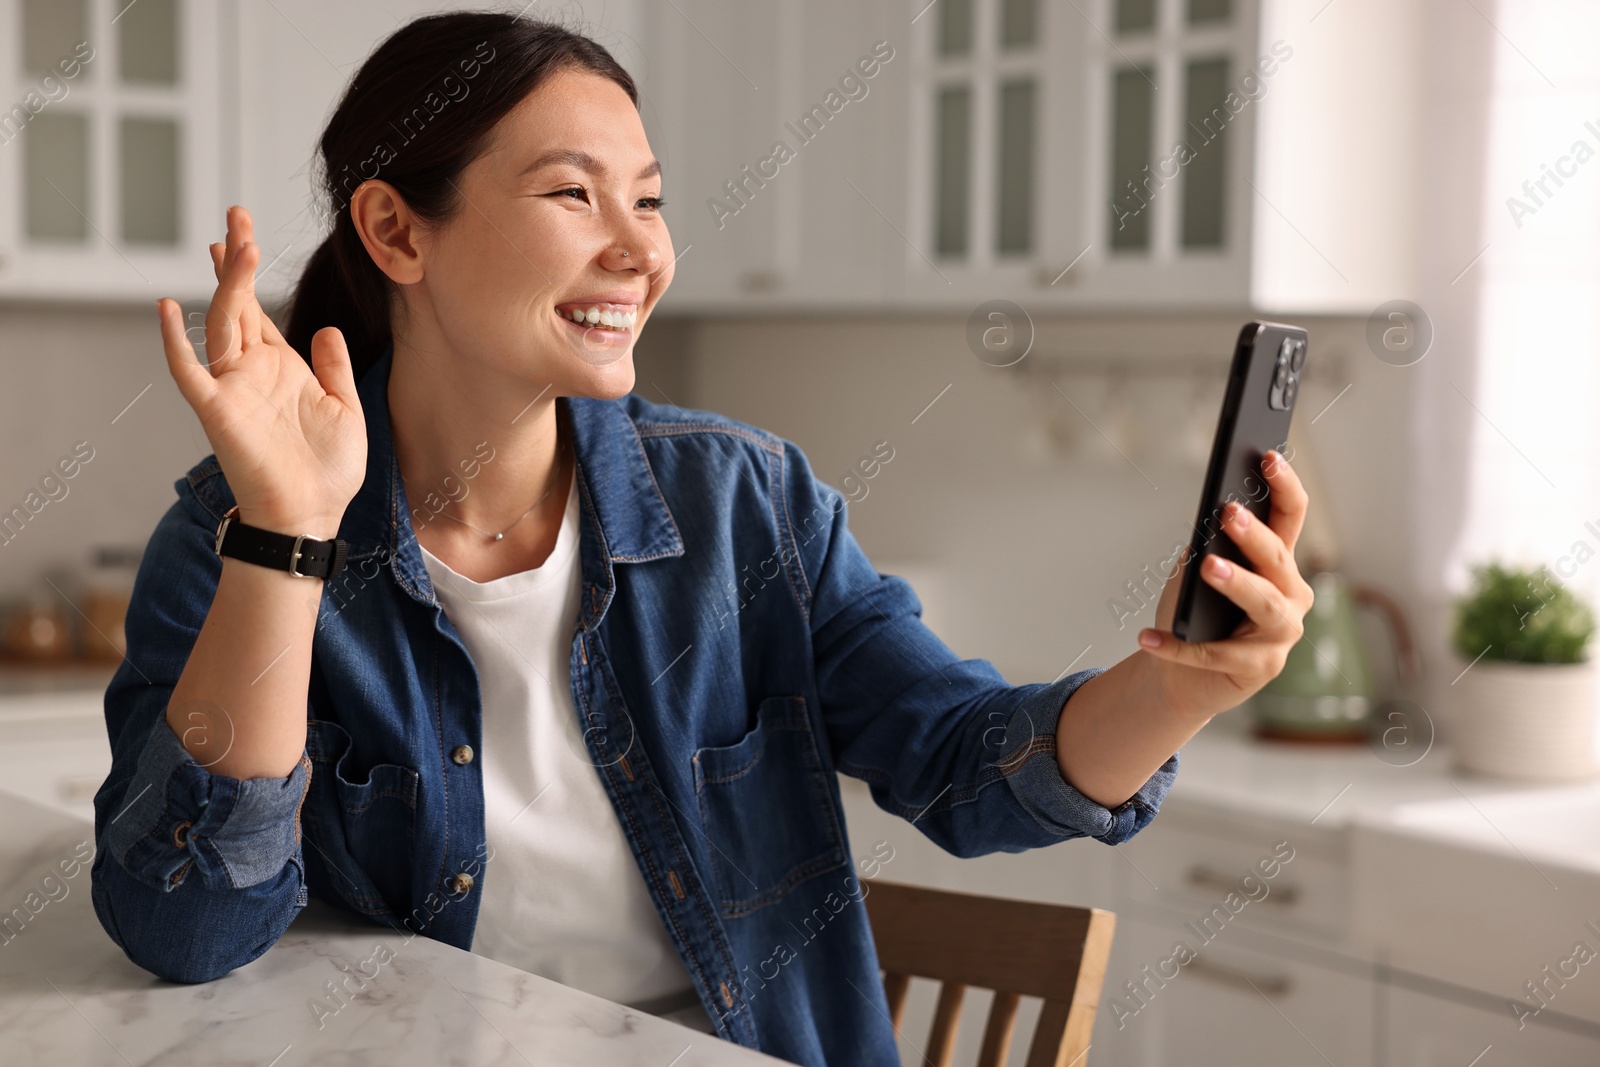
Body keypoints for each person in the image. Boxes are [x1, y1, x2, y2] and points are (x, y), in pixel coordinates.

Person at [89, 12, 1314, 1066]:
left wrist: (1176, 680)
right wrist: (290, 535)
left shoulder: (749, 505)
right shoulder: (233, 531)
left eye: (652, 199)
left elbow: (962, 766)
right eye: (574, 194)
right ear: (398, 232)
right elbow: (185, 926)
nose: (640, 249)